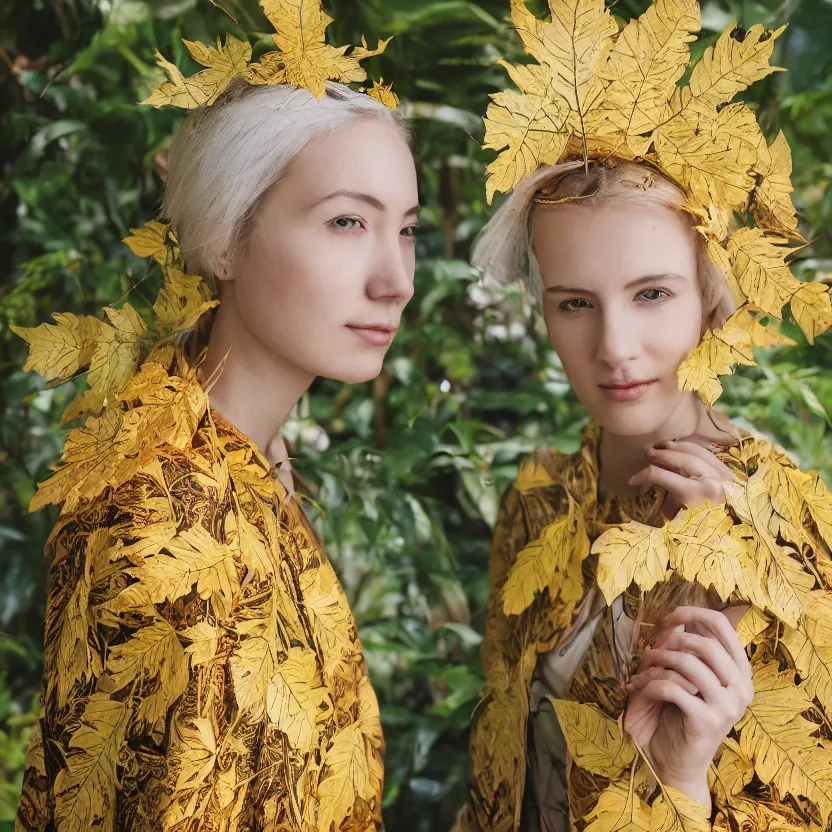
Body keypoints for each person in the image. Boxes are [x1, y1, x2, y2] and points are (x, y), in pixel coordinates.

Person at [13, 3, 417, 830]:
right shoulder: (160, 520)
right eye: (347, 222)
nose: (395, 279)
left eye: (406, 231)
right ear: (226, 241)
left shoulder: (251, 460)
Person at [456, 1, 832, 831]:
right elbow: (496, 787)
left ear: (712, 296)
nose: (615, 347)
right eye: (576, 303)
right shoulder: (536, 504)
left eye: (652, 294)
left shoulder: (796, 532)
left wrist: (683, 778)